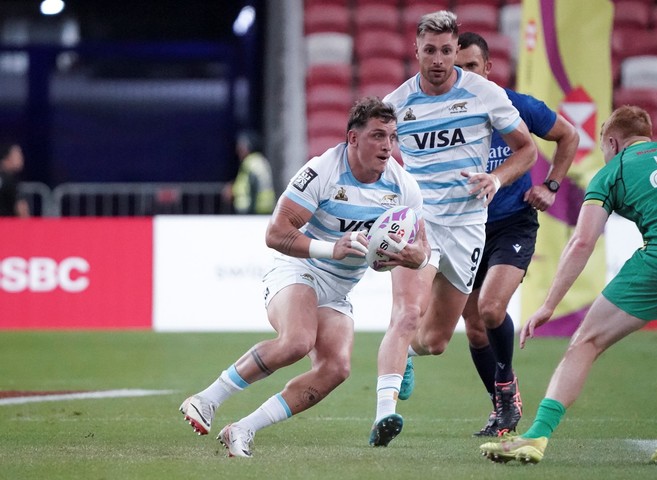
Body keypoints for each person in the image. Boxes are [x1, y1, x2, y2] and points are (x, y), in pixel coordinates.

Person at [179, 97, 430, 458]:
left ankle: (243, 429)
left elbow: (422, 250)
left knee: (336, 368)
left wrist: (411, 257)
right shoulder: (322, 171)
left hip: (338, 289)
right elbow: (276, 233)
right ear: (353, 139)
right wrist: (331, 249)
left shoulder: (403, 187)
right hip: (299, 269)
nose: (388, 145)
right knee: (297, 340)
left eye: (392, 136)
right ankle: (207, 399)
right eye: (378, 135)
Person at [480, 105, 657, 465]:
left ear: (612, 142)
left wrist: (548, 305)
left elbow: (582, 242)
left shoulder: (615, 170)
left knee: (586, 342)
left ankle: (536, 436)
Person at [368, 10, 538, 447]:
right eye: (430, 50)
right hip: (418, 225)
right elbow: (373, 159)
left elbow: (529, 150)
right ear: (416, 51)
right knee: (406, 316)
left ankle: (407, 355)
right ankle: (384, 414)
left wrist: (496, 179)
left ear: (455, 50)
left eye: (447, 51)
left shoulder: (486, 94)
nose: (439, 60)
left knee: (436, 341)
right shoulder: (396, 105)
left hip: (467, 229)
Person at [455, 32, 579, 437]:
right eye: (458, 69)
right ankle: (501, 408)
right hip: (464, 228)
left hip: (512, 222)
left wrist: (552, 185)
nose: (464, 75)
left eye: (472, 67)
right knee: (474, 326)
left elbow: (569, 135)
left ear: (488, 69)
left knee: (491, 309)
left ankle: (506, 385)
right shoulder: (445, 114)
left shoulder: (518, 106)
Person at [222, 131, 276, 214]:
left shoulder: (251, 163)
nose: (238, 150)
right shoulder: (258, 161)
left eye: (241, 147)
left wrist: (252, 211)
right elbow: (244, 185)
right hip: (261, 209)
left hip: (253, 211)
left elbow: (254, 186)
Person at [0, 142, 30, 217]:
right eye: (18, 156)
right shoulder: (9, 180)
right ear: (6, 158)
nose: (21, 159)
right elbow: (21, 208)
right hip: (7, 225)